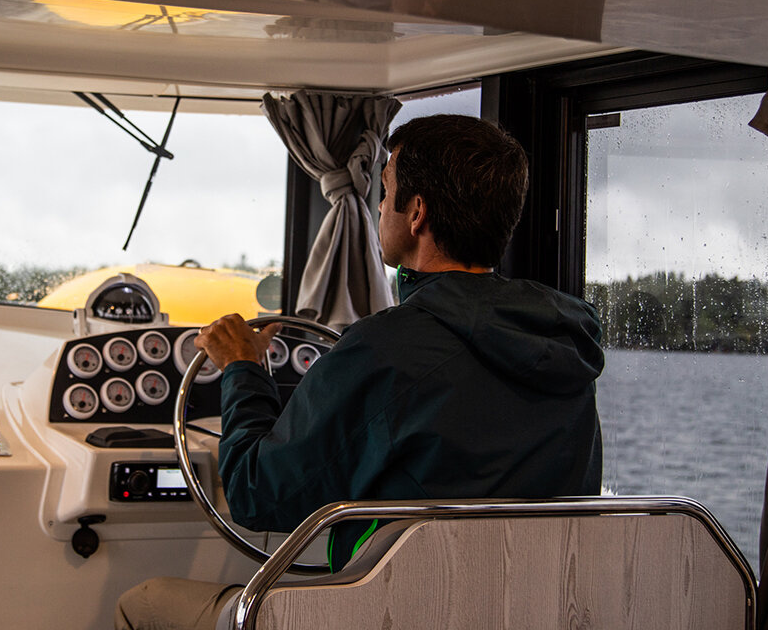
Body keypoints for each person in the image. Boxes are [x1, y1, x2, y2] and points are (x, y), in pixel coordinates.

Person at [115, 114, 604, 630]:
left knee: (143, 603)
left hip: (390, 614)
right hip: (533, 611)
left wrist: (242, 368)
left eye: (385, 189)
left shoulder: (385, 347)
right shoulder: (566, 344)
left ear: (416, 213)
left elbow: (254, 493)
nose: (376, 205)